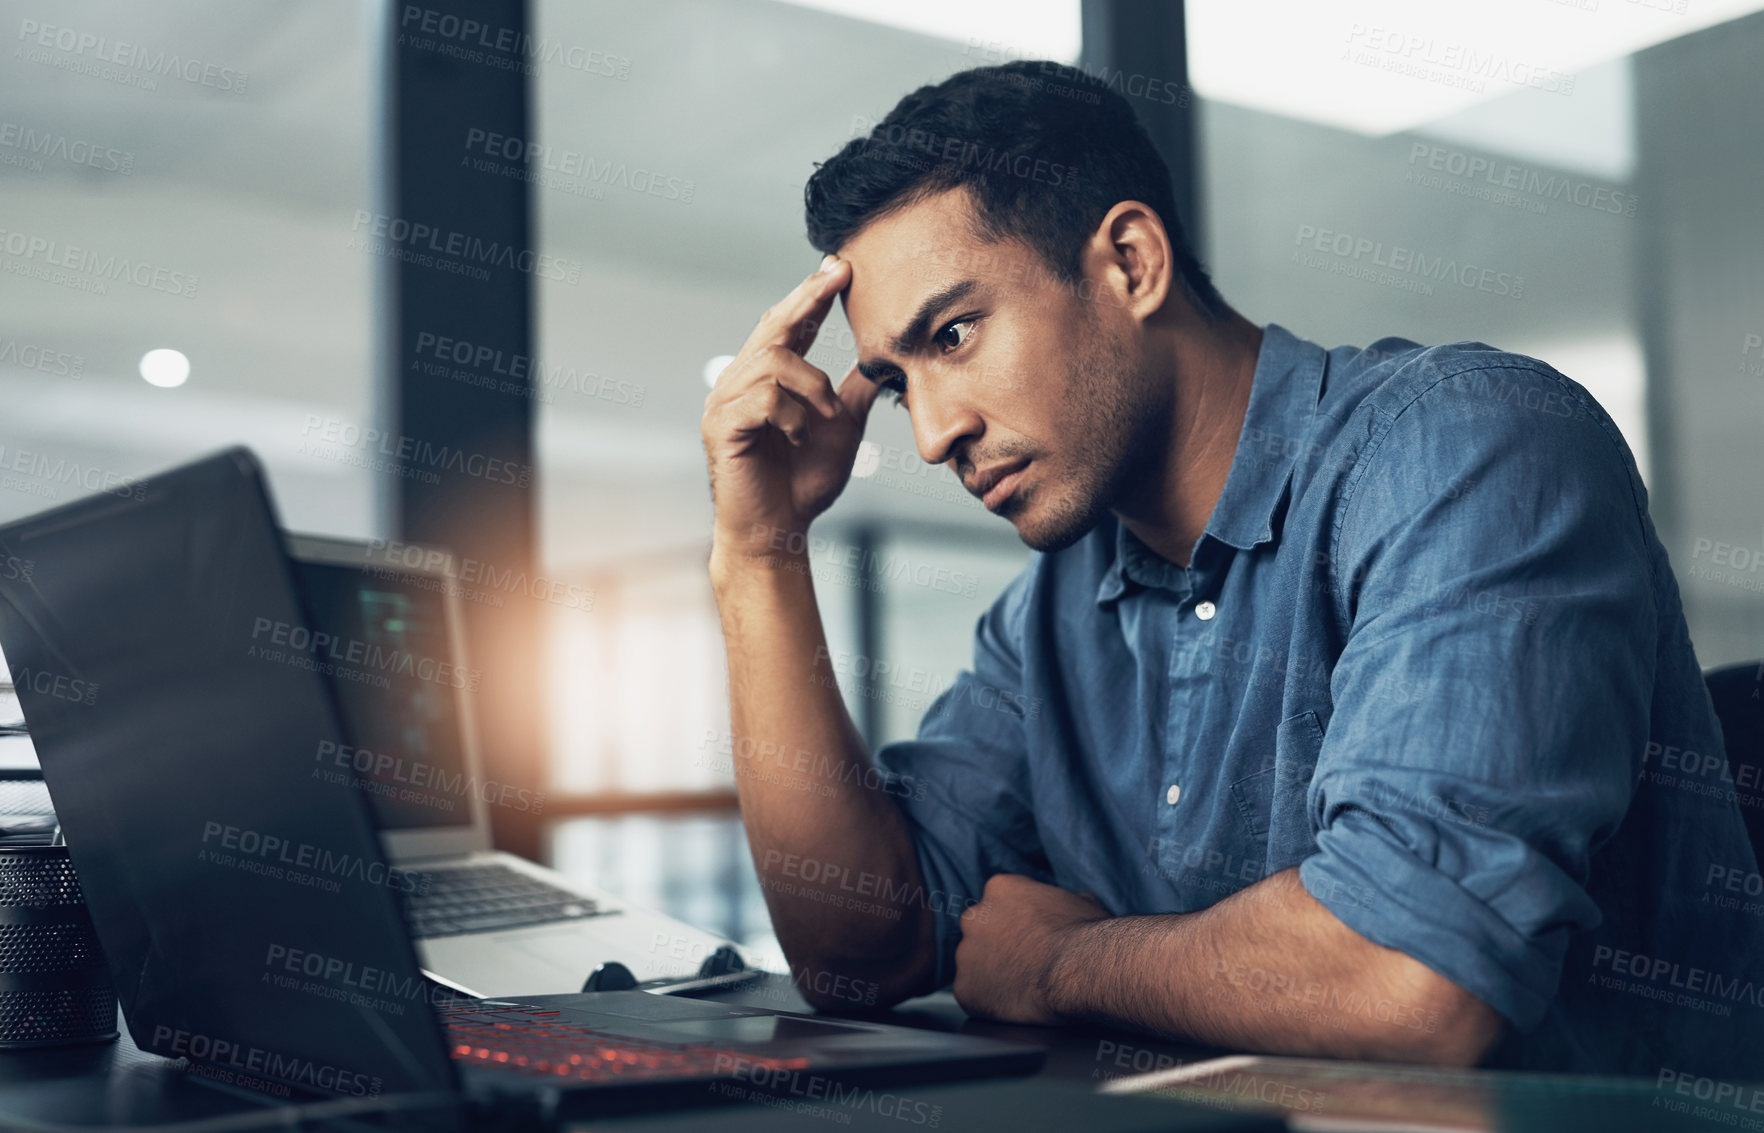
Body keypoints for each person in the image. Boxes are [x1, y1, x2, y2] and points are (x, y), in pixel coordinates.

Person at [699, 60, 1760, 1074]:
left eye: (957, 333)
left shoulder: (1470, 447)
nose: (932, 433)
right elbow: (860, 947)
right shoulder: (1052, 617)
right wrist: (759, 554)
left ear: (1130, 263)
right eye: (894, 383)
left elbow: (1419, 976)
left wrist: (1062, 963)